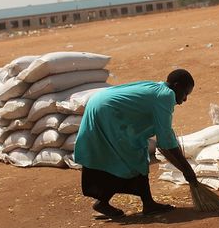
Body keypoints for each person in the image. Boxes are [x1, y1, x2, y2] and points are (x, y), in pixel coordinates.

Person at [73, 69, 200, 218]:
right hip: (107, 112)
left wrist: (183, 168)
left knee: (120, 155)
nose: (185, 99)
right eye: (185, 93)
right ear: (177, 86)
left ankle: (119, 202)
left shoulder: (158, 88)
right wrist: (187, 170)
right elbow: (165, 141)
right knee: (132, 155)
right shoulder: (166, 95)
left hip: (99, 105)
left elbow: (165, 137)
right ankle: (146, 204)